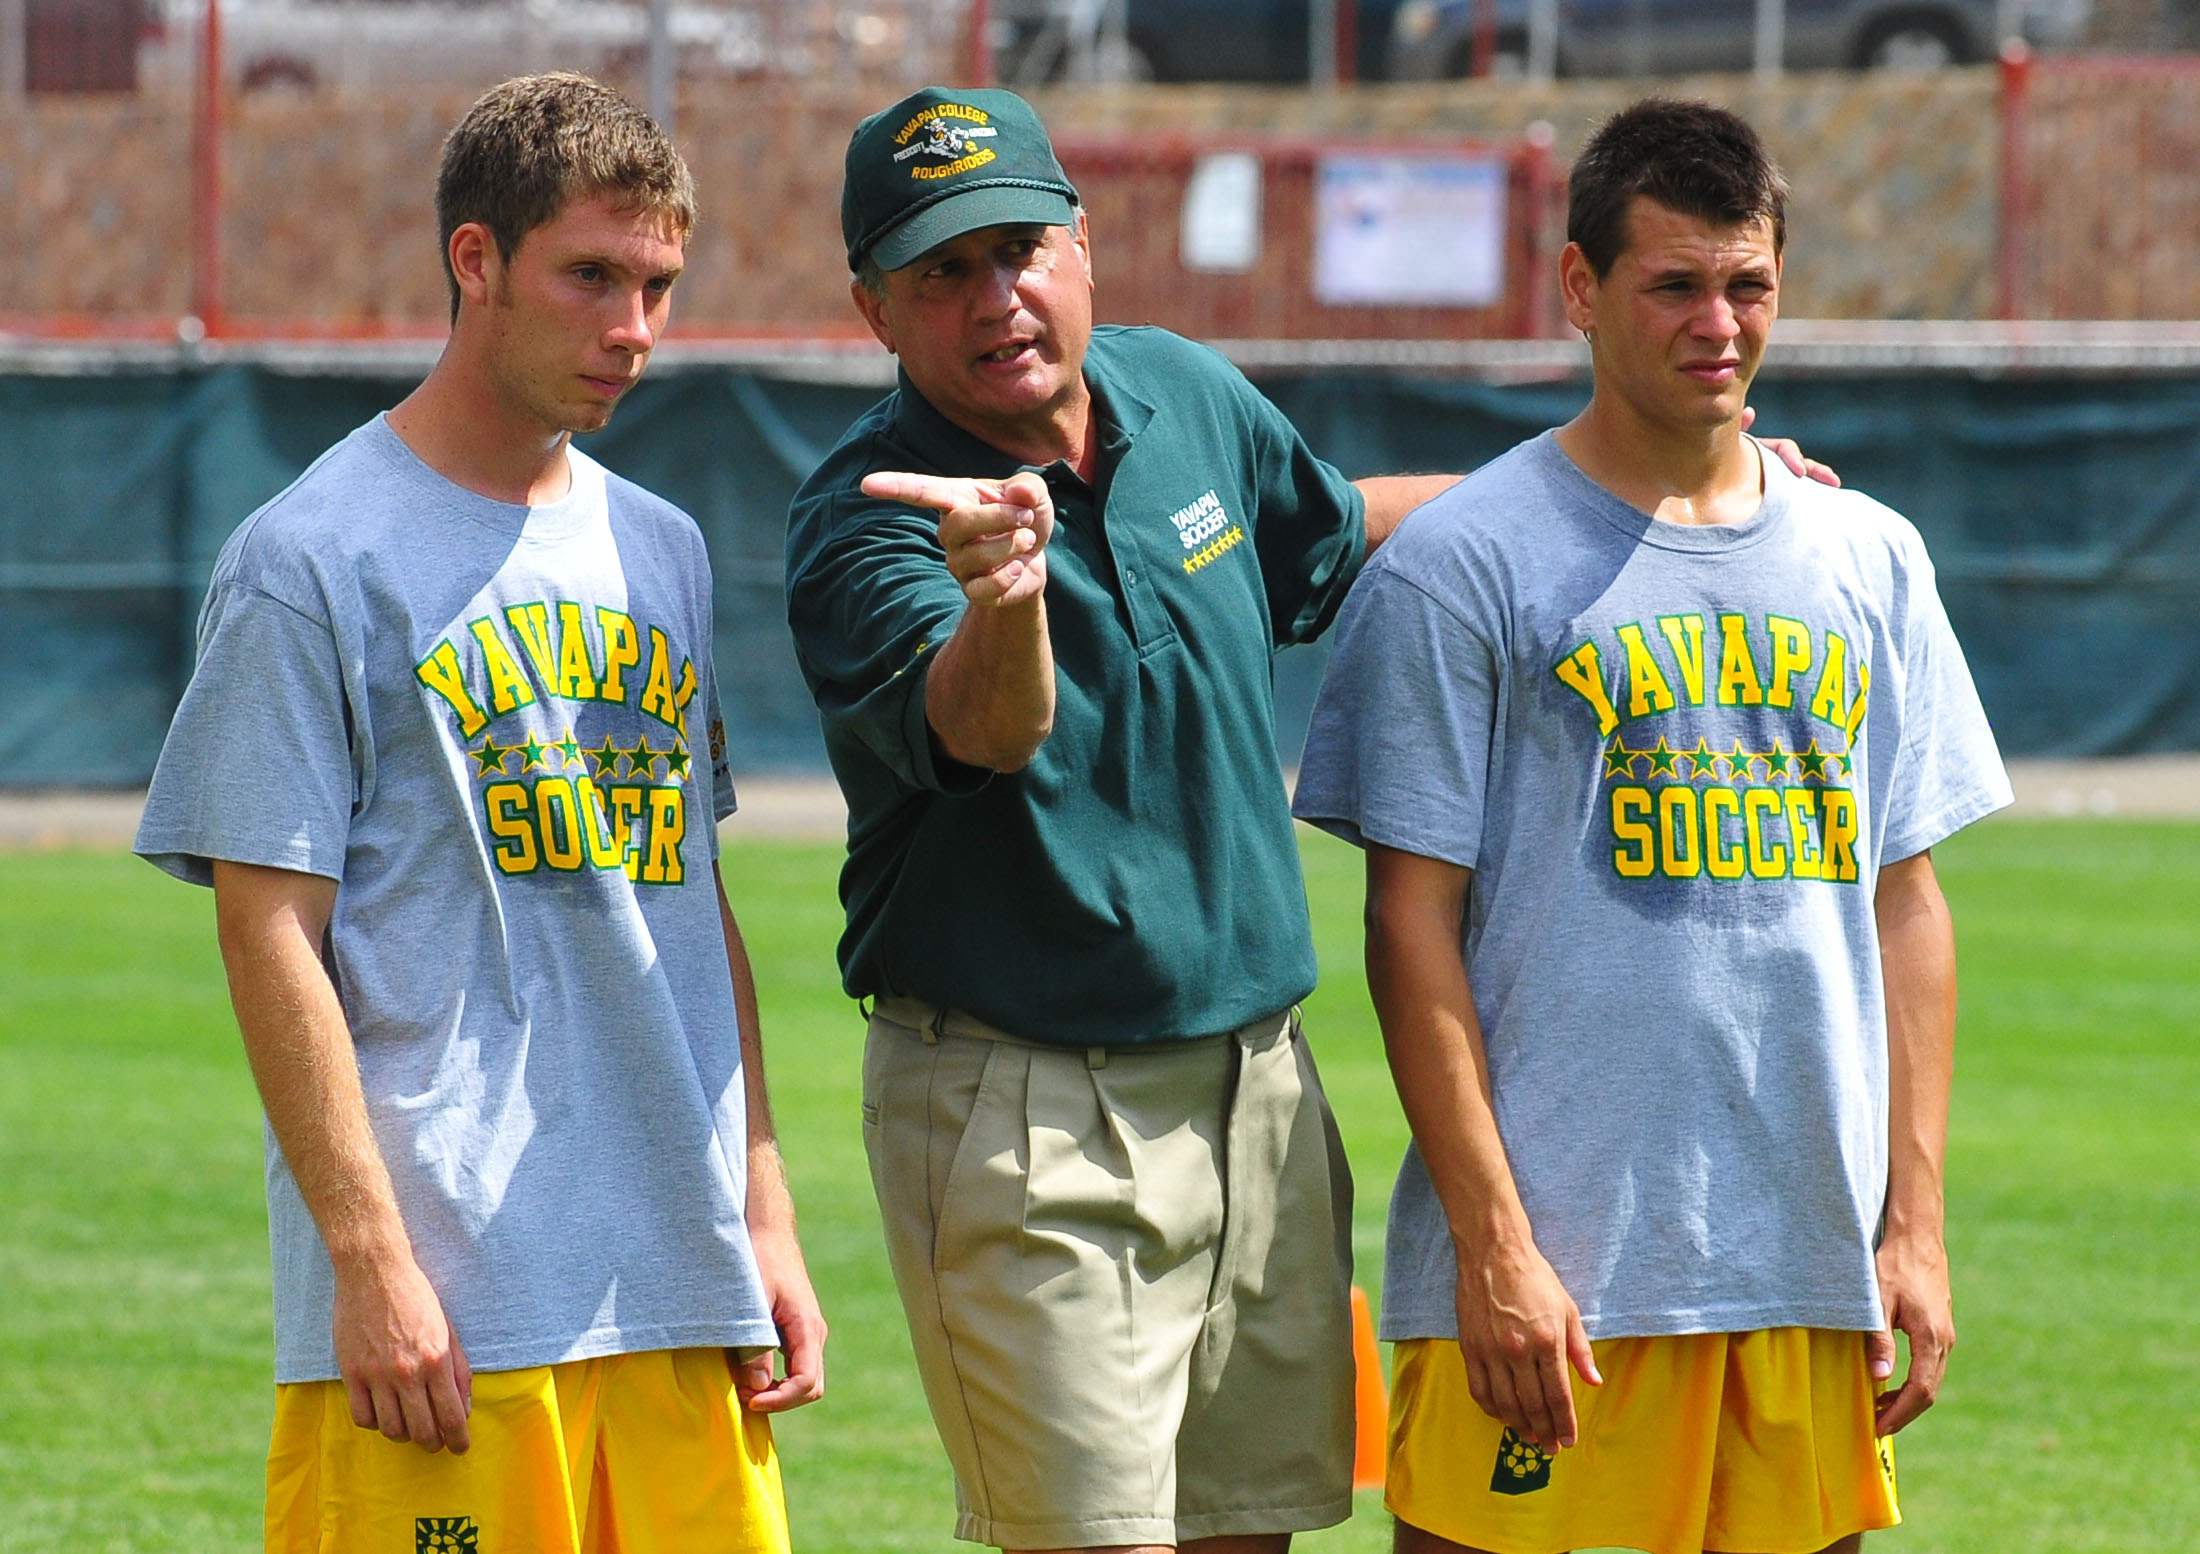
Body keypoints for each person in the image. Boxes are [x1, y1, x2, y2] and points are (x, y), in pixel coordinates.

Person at [785, 85, 1828, 1554]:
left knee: (1248, 1535)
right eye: (940, 271)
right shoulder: (870, 516)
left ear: (1084, 244)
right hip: (1027, 1113)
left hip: (1260, 1094)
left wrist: (1667, 483)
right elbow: (985, 726)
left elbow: (1346, 531)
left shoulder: (1183, 397)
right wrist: (1003, 598)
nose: (996, 297)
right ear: (871, 308)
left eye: (1019, 247)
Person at [1291, 99, 2013, 1554]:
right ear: (1580, 289)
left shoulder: (1868, 556)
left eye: (1747, 284)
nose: (1719, 323)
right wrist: (1496, 1245)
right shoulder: (1463, 564)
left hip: (1802, 1270)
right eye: (1674, 284)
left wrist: (1914, 1227)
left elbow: (1906, 901)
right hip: (1551, 1287)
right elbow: (1406, 926)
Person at [134, 73, 822, 1554]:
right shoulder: (309, 556)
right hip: (448, 1313)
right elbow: (270, 932)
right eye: (591, 276)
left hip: (678, 1286)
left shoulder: (667, 549)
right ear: (475, 262)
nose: (632, 329)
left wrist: (762, 1207)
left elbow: (691, 902)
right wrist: (370, 1259)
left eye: (657, 285)